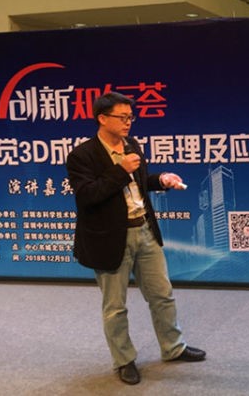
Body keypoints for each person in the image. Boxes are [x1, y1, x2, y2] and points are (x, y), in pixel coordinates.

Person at [66, 92, 205, 385]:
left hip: (144, 230)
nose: (128, 122)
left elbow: (139, 183)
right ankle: (124, 360)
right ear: (102, 119)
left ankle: (173, 347)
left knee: (162, 294)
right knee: (115, 306)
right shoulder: (82, 155)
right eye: (122, 117)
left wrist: (161, 180)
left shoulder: (132, 146)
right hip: (109, 238)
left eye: (131, 117)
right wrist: (120, 170)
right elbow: (87, 196)